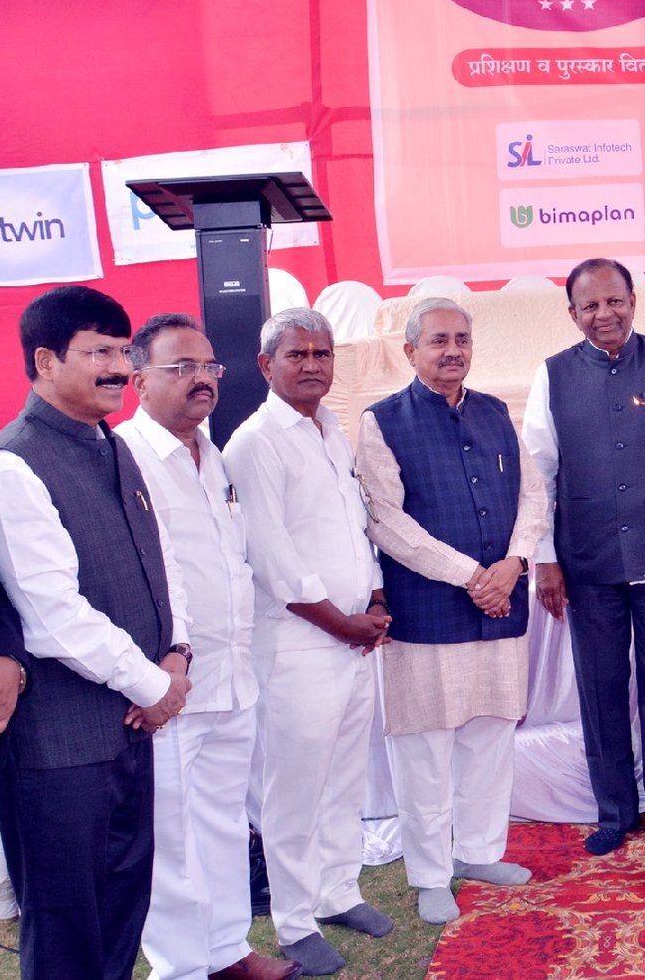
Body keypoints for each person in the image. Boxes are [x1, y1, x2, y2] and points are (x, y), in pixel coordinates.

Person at [0, 285, 192, 979]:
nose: (119, 368)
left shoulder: (112, 445)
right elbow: (52, 616)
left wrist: (177, 653)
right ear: (46, 360)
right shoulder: (12, 464)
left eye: (123, 351)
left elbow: (161, 563)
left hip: (129, 726)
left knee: (122, 905)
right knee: (68, 924)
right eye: (99, 352)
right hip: (59, 746)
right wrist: (155, 685)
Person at [116, 314, 299, 980]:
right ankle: (180, 968)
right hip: (168, 684)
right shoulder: (124, 458)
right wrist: (152, 672)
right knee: (170, 839)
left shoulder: (210, 452)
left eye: (209, 366)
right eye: (181, 367)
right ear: (139, 380)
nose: (202, 378)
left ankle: (227, 951)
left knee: (222, 825)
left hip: (231, 677)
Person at [356, 298, 548, 925]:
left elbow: (532, 495)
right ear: (410, 350)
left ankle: (480, 852)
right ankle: (431, 874)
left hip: (501, 604)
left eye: (462, 339)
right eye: (438, 340)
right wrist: (472, 577)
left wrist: (514, 563)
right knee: (426, 749)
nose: (453, 350)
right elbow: (385, 521)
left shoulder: (495, 411)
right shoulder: (383, 421)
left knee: (490, 735)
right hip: (428, 612)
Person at [522, 259, 645, 855]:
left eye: (615, 301)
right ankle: (614, 810)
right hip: (588, 558)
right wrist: (546, 559)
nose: (604, 314)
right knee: (601, 690)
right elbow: (538, 475)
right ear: (572, 313)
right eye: (590, 306)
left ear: (633, 301)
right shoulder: (551, 375)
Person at [224, 308, 393, 976]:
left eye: (322, 353)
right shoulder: (254, 442)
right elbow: (272, 557)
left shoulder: (330, 428)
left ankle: (338, 890)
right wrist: (343, 624)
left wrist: (373, 600)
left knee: (345, 776)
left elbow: (355, 526)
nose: (313, 364)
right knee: (293, 789)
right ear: (266, 365)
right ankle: (294, 922)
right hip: (300, 643)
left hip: (353, 636)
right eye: (298, 354)